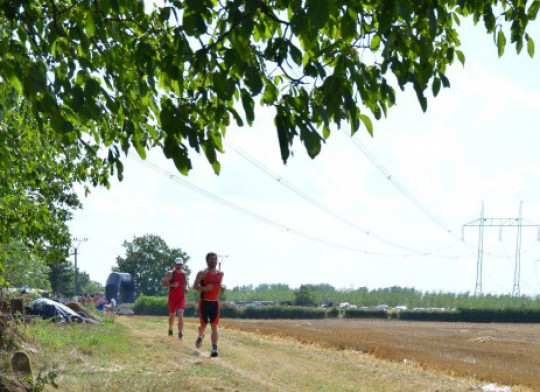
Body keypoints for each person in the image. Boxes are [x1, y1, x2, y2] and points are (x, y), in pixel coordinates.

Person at [193, 252, 226, 357]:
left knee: (214, 326)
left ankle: (214, 349)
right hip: (204, 302)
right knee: (203, 325)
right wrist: (205, 288)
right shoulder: (202, 273)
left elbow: (218, 284)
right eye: (211, 259)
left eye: (215, 259)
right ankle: (200, 336)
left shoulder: (220, 274)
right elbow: (195, 286)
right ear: (207, 261)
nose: (214, 261)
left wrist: (222, 287)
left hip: (215, 303)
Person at [162, 257, 189, 339]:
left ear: (182, 264)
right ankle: (170, 329)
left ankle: (180, 333)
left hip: (181, 297)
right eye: (178, 264)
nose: (179, 265)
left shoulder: (184, 274)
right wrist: (172, 285)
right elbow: (164, 284)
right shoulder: (170, 273)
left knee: (180, 314)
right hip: (172, 297)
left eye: (180, 264)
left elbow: (186, 284)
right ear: (175, 264)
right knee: (172, 315)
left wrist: (187, 288)